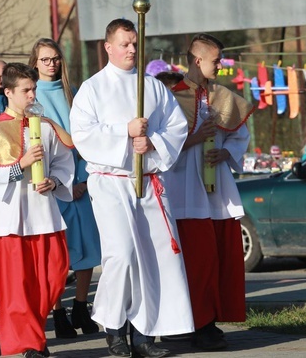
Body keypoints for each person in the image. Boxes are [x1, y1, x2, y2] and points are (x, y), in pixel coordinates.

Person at [69, 19, 192, 358]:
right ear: (108, 47)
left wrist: (152, 142)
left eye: (135, 43)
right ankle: (114, 326)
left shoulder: (152, 86)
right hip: (111, 182)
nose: (131, 50)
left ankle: (144, 333)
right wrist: (124, 131)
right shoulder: (92, 89)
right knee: (121, 255)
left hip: (149, 183)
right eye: (124, 44)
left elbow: (176, 127)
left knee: (151, 259)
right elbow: (83, 135)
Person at [0, 63, 74, 358]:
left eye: (34, 89)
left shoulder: (47, 125)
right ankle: (31, 344)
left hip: (45, 216)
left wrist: (53, 181)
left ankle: (34, 335)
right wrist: (20, 165)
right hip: (11, 220)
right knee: (18, 288)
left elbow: (64, 162)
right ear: (9, 92)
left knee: (52, 277)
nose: (32, 95)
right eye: (26, 90)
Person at [164, 33, 253, 350]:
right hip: (185, 191)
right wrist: (196, 138)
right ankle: (194, 323)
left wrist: (227, 153)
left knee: (217, 259)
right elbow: (161, 149)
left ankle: (211, 319)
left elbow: (239, 135)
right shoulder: (170, 99)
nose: (221, 65)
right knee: (196, 260)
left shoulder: (224, 96)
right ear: (197, 59)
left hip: (217, 192)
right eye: (216, 60)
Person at [28, 38, 101, 338]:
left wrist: (82, 179)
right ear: (35, 63)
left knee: (87, 247)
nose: (51, 64)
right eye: (45, 59)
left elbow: (85, 138)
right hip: (52, 181)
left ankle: (81, 304)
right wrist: (61, 182)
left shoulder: (74, 93)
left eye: (56, 58)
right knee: (58, 253)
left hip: (80, 179)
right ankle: (58, 310)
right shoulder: (33, 97)